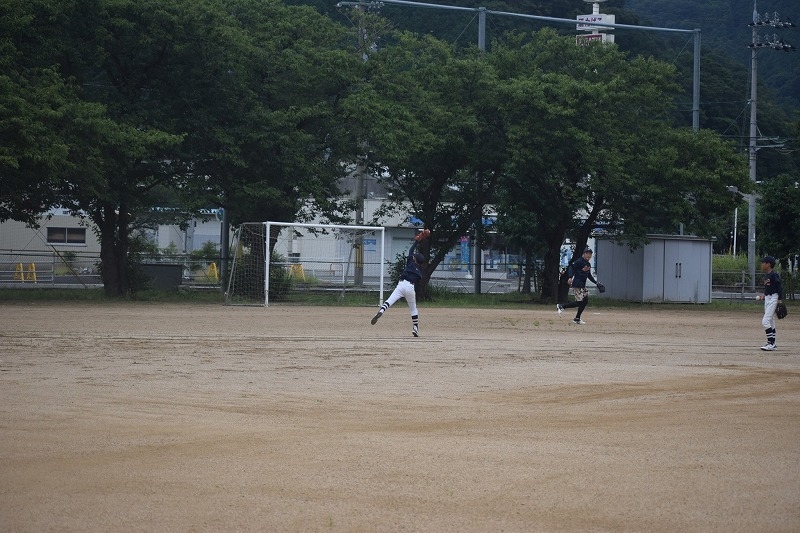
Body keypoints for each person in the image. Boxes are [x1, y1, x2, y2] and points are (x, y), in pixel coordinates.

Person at [371, 230, 429, 337]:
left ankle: (381, 311)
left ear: (415, 260)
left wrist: (417, 240)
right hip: (410, 287)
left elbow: (411, 251)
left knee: (389, 301)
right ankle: (415, 328)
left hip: (401, 284)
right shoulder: (419, 273)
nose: (413, 257)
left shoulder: (410, 262)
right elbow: (418, 283)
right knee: (413, 308)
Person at [557, 247, 598, 325]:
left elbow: (589, 275)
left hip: (582, 285)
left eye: (590, 254)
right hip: (577, 284)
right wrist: (570, 277)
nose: (588, 255)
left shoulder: (588, 264)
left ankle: (577, 318)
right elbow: (571, 267)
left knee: (585, 301)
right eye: (587, 253)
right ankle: (562, 306)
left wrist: (596, 283)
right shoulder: (579, 261)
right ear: (583, 254)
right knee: (580, 302)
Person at [755, 255, 783, 351]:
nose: (762, 264)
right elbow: (770, 288)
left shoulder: (774, 275)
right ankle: (773, 344)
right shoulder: (767, 275)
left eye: (763, 263)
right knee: (771, 321)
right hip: (768, 298)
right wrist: (764, 295)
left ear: (768, 264)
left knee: (765, 321)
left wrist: (779, 300)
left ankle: (770, 343)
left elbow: (779, 287)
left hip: (774, 298)